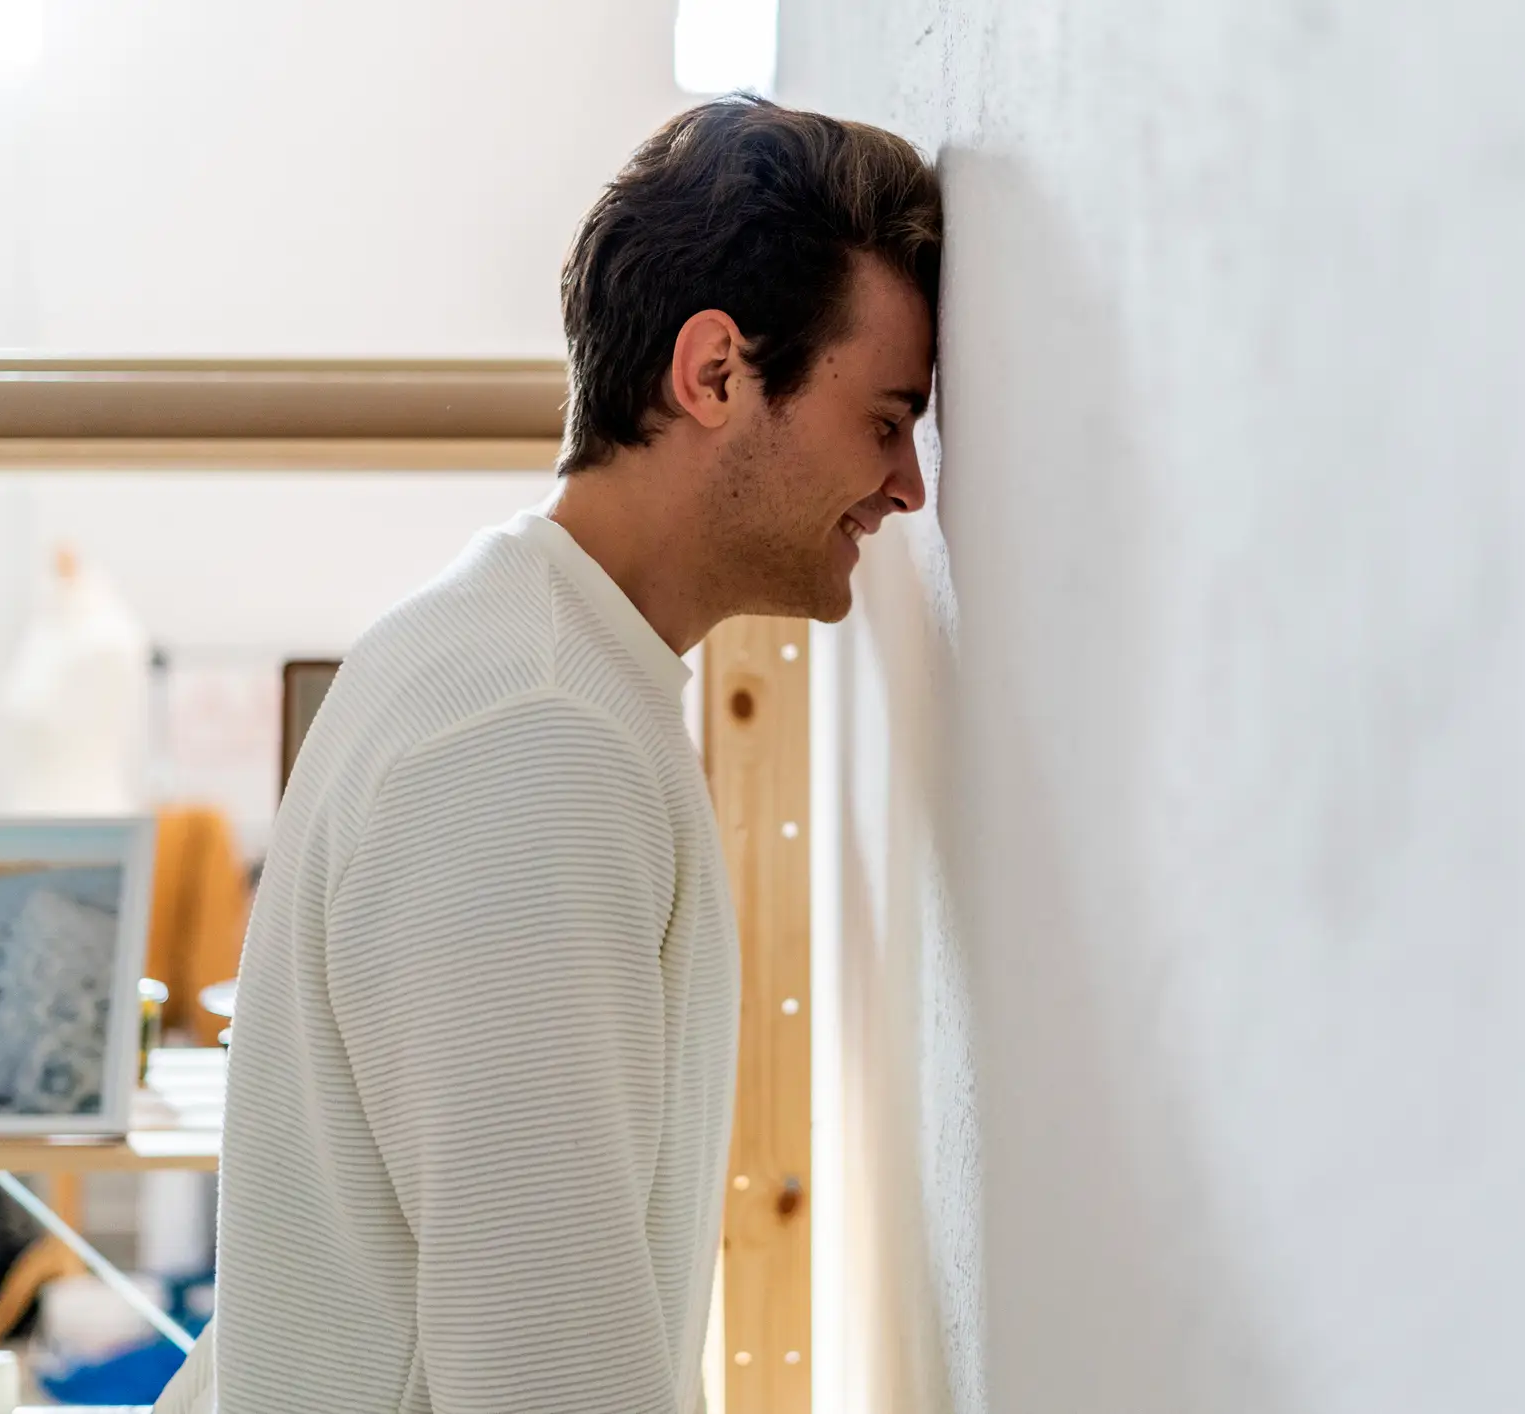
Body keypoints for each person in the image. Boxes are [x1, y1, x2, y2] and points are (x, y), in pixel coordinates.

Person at [155, 94, 940, 1414]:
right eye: (884, 418)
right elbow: (545, 1375)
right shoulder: (531, 743)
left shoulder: (517, 662)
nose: (909, 484)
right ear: (714, 374)